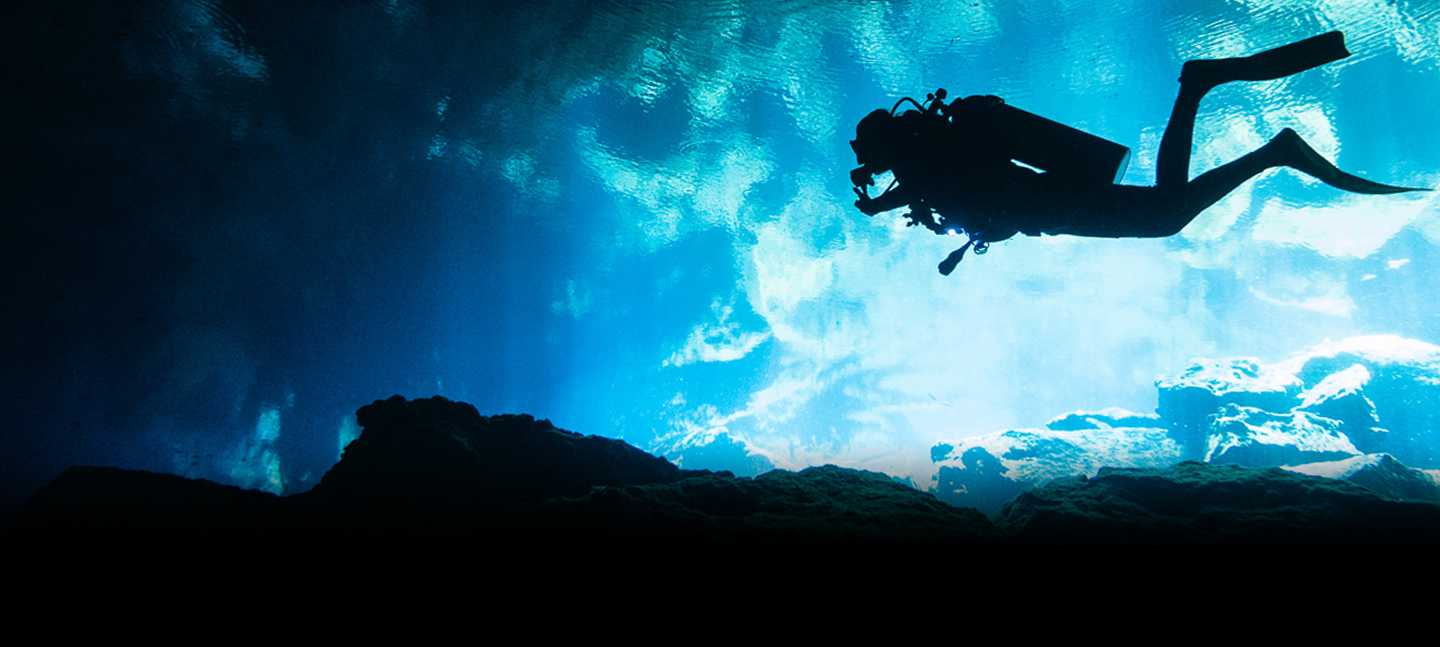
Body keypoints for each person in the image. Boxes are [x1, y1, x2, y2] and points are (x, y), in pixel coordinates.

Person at [849, 31, 1427, 275]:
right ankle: (1267, 146)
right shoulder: (919, 163)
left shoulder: (920, 160)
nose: (863, 163)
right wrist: (885, 203)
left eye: (863, 149)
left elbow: (943, 186)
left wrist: (882, 204)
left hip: (1052, 203)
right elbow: (942, 190)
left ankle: (1220, 106)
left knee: (1164, 214)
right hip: (1049, 206)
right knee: (1164, 212)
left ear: (882, 141)